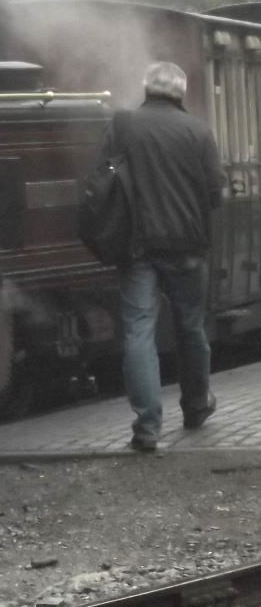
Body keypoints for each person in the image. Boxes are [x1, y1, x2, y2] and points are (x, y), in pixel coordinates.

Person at [91, 61, 224, 452]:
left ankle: (147, 426)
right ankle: (196, 405)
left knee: (139, 331)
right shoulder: (198, 131)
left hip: (138, 247)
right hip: (187, 246)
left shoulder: (123, 125)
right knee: (191, 327)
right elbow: (215, 193)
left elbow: (101, 180)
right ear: (180, 92)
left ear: (146, 87)